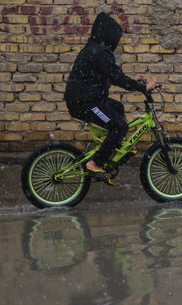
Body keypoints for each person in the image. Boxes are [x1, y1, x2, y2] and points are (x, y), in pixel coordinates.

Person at [64, 12, 156, 185]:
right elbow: (116, 76)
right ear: (109, 35)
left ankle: (109, 151)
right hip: (85, 102)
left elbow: (112, 76)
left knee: (118, 109)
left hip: (89, 98)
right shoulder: (99, 51)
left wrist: (133, 82)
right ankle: (95, 163)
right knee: (119, 126)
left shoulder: (97, 48)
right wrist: (143, 88)